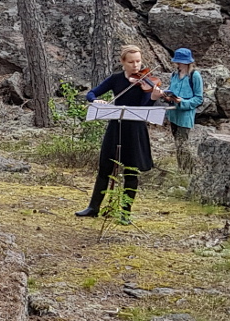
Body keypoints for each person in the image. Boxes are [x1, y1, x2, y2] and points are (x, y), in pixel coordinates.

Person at [76, 44, 167, 224]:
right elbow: (91, 93)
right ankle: (93, 207)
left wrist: (154, 98)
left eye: (138, 61)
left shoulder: (146, 82)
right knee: (105, 167)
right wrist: (96, 100)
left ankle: (125, 213)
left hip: (135, 130)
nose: (136, 66)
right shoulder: (116, 79)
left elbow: (144, 109)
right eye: (131, 62)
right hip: (115, 127)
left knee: (131, 172)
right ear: (123, 62)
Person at [164, 48, 204, 175]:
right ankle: (182, 170)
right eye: (177, 62)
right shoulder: (174, 75)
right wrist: (166, 96)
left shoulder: (194, 76)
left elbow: (199, 99)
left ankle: (188, 173)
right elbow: (171, 90)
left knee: (183, 145)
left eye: (181, 62)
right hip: (173, 114)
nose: (178, 64)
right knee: (178, 143)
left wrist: (183, 102)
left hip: (185, 116)